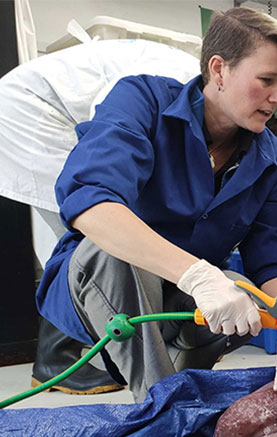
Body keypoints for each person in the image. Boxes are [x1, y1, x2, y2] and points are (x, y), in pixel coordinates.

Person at [35, 7, 277, 404]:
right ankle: (164, 407)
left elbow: (273, 262)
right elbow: (91, 199)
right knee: (111, 253)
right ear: (219, 69)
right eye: (266, 81)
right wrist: (198, 276)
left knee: (243, 288)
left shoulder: (273, 159)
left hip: (185, 304)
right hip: (110, 286)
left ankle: (181, 390)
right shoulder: (143, 100)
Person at [0, 39, 200, 395]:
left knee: (106, 226)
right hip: (34, 116)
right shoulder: (177, 80)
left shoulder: (194, 82)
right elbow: (109, 119)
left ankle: (68, 354)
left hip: (50, 110)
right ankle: (55, 358)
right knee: (93, 224)